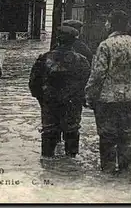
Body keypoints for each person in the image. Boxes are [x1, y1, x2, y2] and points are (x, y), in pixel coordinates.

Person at [85, 10, 131, 174]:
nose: (105, 25)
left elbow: (98, 74)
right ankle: (124, 171)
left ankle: (107, 173)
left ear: (113, 24)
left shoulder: (105, 45)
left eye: (107, 22)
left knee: (107, 137)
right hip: (130, 97)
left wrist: (89, 95)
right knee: (127, 136)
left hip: (107, 98)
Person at [29, 26, 90, 158]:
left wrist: (42, 99)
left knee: (49, 134)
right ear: (74, 41)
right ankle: (70, 168)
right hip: (72, 104)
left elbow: (33, 84)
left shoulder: (44, 58)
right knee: (72, 133)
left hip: (50, 103)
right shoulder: (81, 61)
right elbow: (86, 84)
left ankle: (48, 170)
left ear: (58, 39)